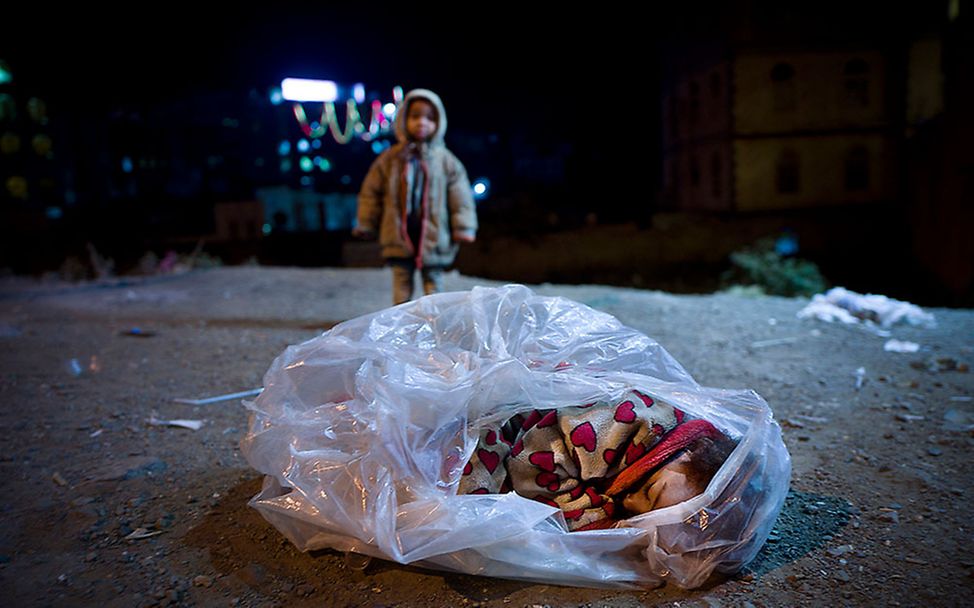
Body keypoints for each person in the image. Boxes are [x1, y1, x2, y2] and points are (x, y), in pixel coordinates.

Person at [458, 390, 737, 531]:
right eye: (649, 491)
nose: (629, 504)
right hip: (505, 422)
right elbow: (531, 462)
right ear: (693, 450)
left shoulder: (661, 460)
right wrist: (592, 516)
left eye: (641, 514)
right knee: (469, 508)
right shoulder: (631, 424)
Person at [353, 88, 478, 305]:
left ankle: (435, 321)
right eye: (415, 116)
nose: (422, 123)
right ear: (403, 120)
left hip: (434, 233)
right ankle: (400, 322)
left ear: (439, 122)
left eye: (429, 118)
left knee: (433, 281)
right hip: (398, 232)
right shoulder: (390, 159)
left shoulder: (446, 160)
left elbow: (461, 196)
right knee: (401, 280)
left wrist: (463, 226)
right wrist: (366, 222)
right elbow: (370, 193)